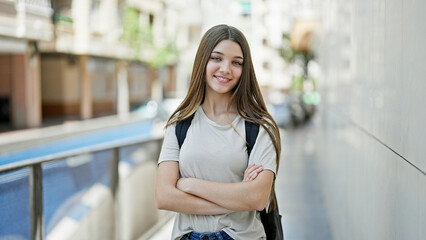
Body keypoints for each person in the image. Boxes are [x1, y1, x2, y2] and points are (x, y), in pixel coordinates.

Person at [155, 24, 281, 240]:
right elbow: (164, 197)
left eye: (236, 62)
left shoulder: (259, 127)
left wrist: (189, 185)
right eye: (216, 58)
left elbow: (258, 198)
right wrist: (236, 196)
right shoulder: (179, 124)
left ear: (245, 69)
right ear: (203, 61)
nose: (226, 69)